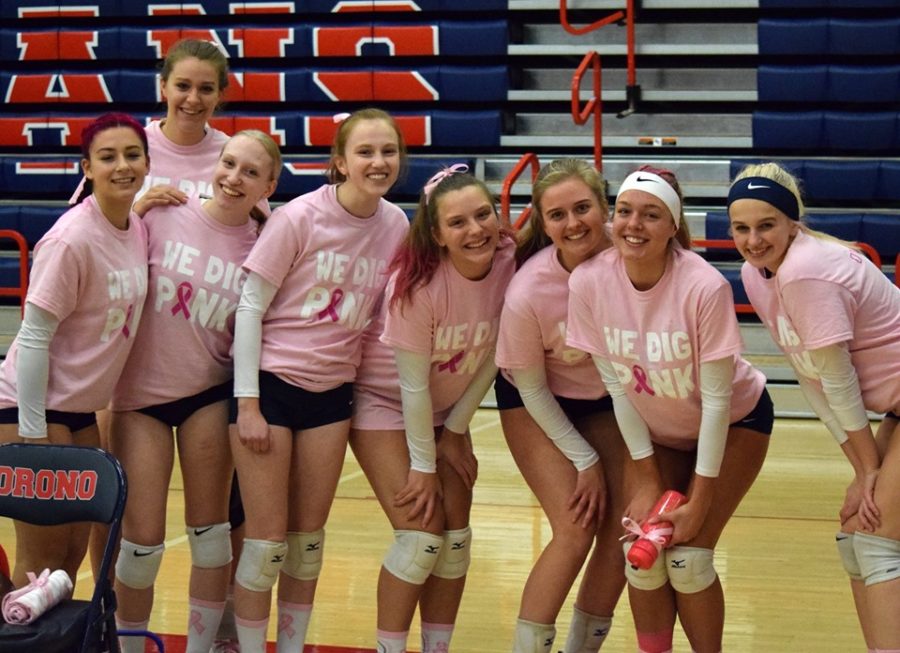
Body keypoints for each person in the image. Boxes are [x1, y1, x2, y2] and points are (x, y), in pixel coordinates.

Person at [566, 166, 774, 653]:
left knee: (689, 558)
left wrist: (699, 499)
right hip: (659, 432)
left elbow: (719, 402)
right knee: (639, 554)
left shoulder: (703, 287)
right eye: (624, 212)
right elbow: (619, 389)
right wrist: (644, 479)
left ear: (672, 225)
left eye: (651, 215)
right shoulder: (589, 282)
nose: (634, 225)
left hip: (734, 422)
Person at [229, 108, 410, 653]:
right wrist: (248, 404)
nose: (378, 162)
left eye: (388, 152)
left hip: (333, 396)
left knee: (306, 545)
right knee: (265, 546)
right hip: (273, 387)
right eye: (365, 152)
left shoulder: (397, 225)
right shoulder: (299, 218)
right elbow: (249, 305)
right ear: (339, 162)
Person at [108, 130, 281, 653]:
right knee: (141, 545)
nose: (233, 178)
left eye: (250, 172)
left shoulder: (267, 243)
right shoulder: (161, 215)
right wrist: (135, 207)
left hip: (207, 394)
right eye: (229, 163)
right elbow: (104, 254)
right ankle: (128, 646)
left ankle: (203, 647)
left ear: (268, 185)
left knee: (210, 538)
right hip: (139, 399)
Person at [727, 162, 900, 652]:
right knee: (854, 538)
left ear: (792, 222)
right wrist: (860, 467)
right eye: (741, 227)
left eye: (766, 225)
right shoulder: (757, 274)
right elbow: (811, 375)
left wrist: (869, 470)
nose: (753, 239)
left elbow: (838, 379)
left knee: (876, 540)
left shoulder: (806, 272)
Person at [349, 166, 516, 653]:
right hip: (385, 402)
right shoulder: (417, 283)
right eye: (458, 223)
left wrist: (457, 428)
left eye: (483, 215)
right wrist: (424, 465)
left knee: (455, 539)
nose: (476, 230)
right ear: (437, 234)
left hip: (448, 412)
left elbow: (497, 352)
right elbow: (411, 386)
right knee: (422, 537)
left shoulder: (510, 260)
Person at [0, 112, 150, 588]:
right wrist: (32, 432)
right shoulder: (71, 239)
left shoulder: (136, 226)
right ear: (87, 167)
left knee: (67, 562)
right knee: (39, 560)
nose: (122, 166)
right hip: (32, 408)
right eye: (107, 157)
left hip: (80, 411)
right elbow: (34, 335)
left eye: (132, 155)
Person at [495, 159, 631, 653]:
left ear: (604, 208)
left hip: (605, 401)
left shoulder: (632, 250)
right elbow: (530, 390)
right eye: (557, 215)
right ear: (542, 222)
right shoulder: (529, 291)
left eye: (582, 208)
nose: (573, 223)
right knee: (574, 527)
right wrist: (585, 459)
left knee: (624, 529)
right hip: (536, 400)